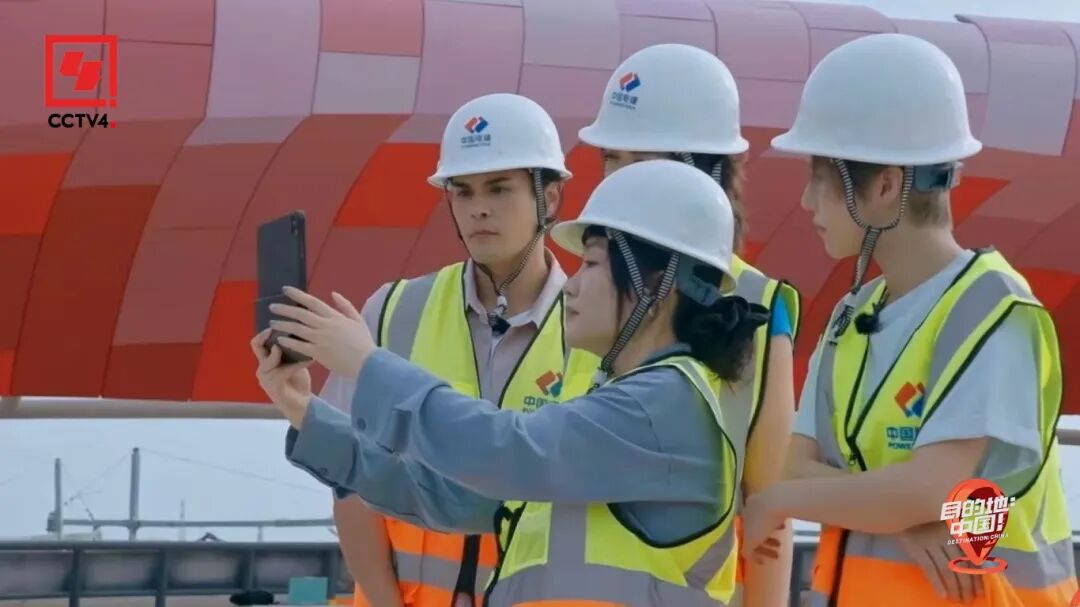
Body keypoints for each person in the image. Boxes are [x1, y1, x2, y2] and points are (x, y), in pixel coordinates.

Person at [254, 159, 772, 606]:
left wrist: (367, 365)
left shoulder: (664, 403)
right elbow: (451, 497)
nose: (572, 286)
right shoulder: (630, 404)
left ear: (654, 286)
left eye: (591, 263)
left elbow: (508, 448)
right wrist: (306, 413)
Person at [738, 33, 1078, 606]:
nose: (806, 202)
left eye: (820, 178)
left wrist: (784, 502)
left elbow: (934, 486)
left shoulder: (993, 312)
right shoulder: (852, 316)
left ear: (885, 186)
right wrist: (902, 514)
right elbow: (794, 468)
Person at [293, 93, 599, 607]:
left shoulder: (596, 329)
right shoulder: (393, 312)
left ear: (549, 199)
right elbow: (351, 481)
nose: (478, 207)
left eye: (499, 188)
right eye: (463, 191)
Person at [578, 43, 801, 606]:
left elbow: (767, 508)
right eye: (610, 159)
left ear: (699, 168)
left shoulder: (756, 304)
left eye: (636, 161)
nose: (615, 180)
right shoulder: (587, 286)